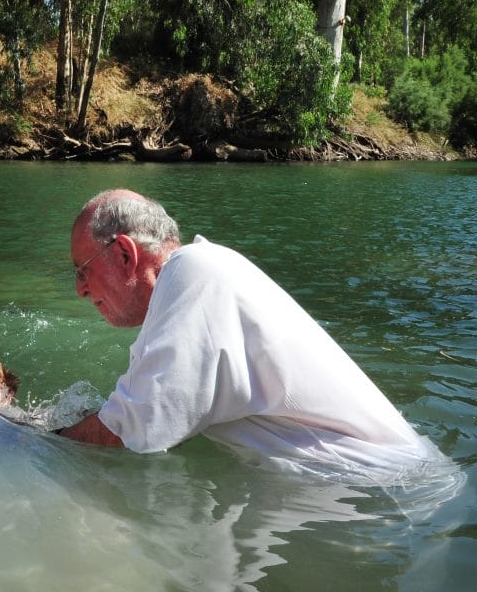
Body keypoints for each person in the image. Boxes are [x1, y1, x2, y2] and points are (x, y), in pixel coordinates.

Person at [60, 189, 445, 476]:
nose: (79, 289)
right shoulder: (197, 283)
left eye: (82, 270)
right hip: (385, 486)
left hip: (385, 489)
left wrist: (28, 435)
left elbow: (135, 425)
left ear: (126, 254)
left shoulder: (193, 270)